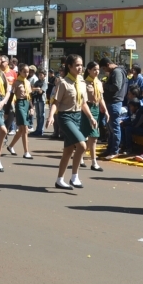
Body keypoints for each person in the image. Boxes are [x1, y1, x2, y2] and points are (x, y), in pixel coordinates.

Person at [48, 55, 96, 189]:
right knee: (81, 145)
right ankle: (74, 177)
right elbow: (56, 102)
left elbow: (83, 103)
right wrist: (51, 116)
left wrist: (91, 117)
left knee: (68, 151)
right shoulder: (63, 83)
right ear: (69, 67)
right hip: (65, 117)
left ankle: (59, 180)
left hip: (77, 117)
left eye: (81, 65)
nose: (80, 68)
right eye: (77, 65)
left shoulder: (81, 82)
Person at [99, 57, 128, 159]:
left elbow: (116, 86)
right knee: (110, 128)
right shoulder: (115, 72)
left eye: (103, 68)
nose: (104, 71)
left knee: (114, 128)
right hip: (111, 102)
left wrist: (104, 85)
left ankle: (114, 150)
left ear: (107, 64)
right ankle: (110, 149)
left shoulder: (117, 72)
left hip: (114, 102)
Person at [7, 64, 34, 158]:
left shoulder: (27, 82)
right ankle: (26, 152)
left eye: (28, 72)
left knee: (21, 130)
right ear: (20, 72)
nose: (27, 74)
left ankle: (10, 146)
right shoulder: (17, 82)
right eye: (24, 72)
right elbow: (11, 96)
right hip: (20, 104)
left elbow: (30, 96)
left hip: (26, 104)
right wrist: (7, 110)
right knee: (25, 129)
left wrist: (31, 107)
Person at [30, 68, 47, 137]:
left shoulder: (44, 83)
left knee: (41, 115)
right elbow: (32, 88)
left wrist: (37, 89)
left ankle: (41, 130)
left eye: (41, 75)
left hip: (42, 99)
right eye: (39, 75)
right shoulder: (37, 81)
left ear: (44, 75)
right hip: (36, 99)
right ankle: (37, 129)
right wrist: (37, 89)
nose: (40, 76)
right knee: (37, 115)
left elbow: (41, 91)